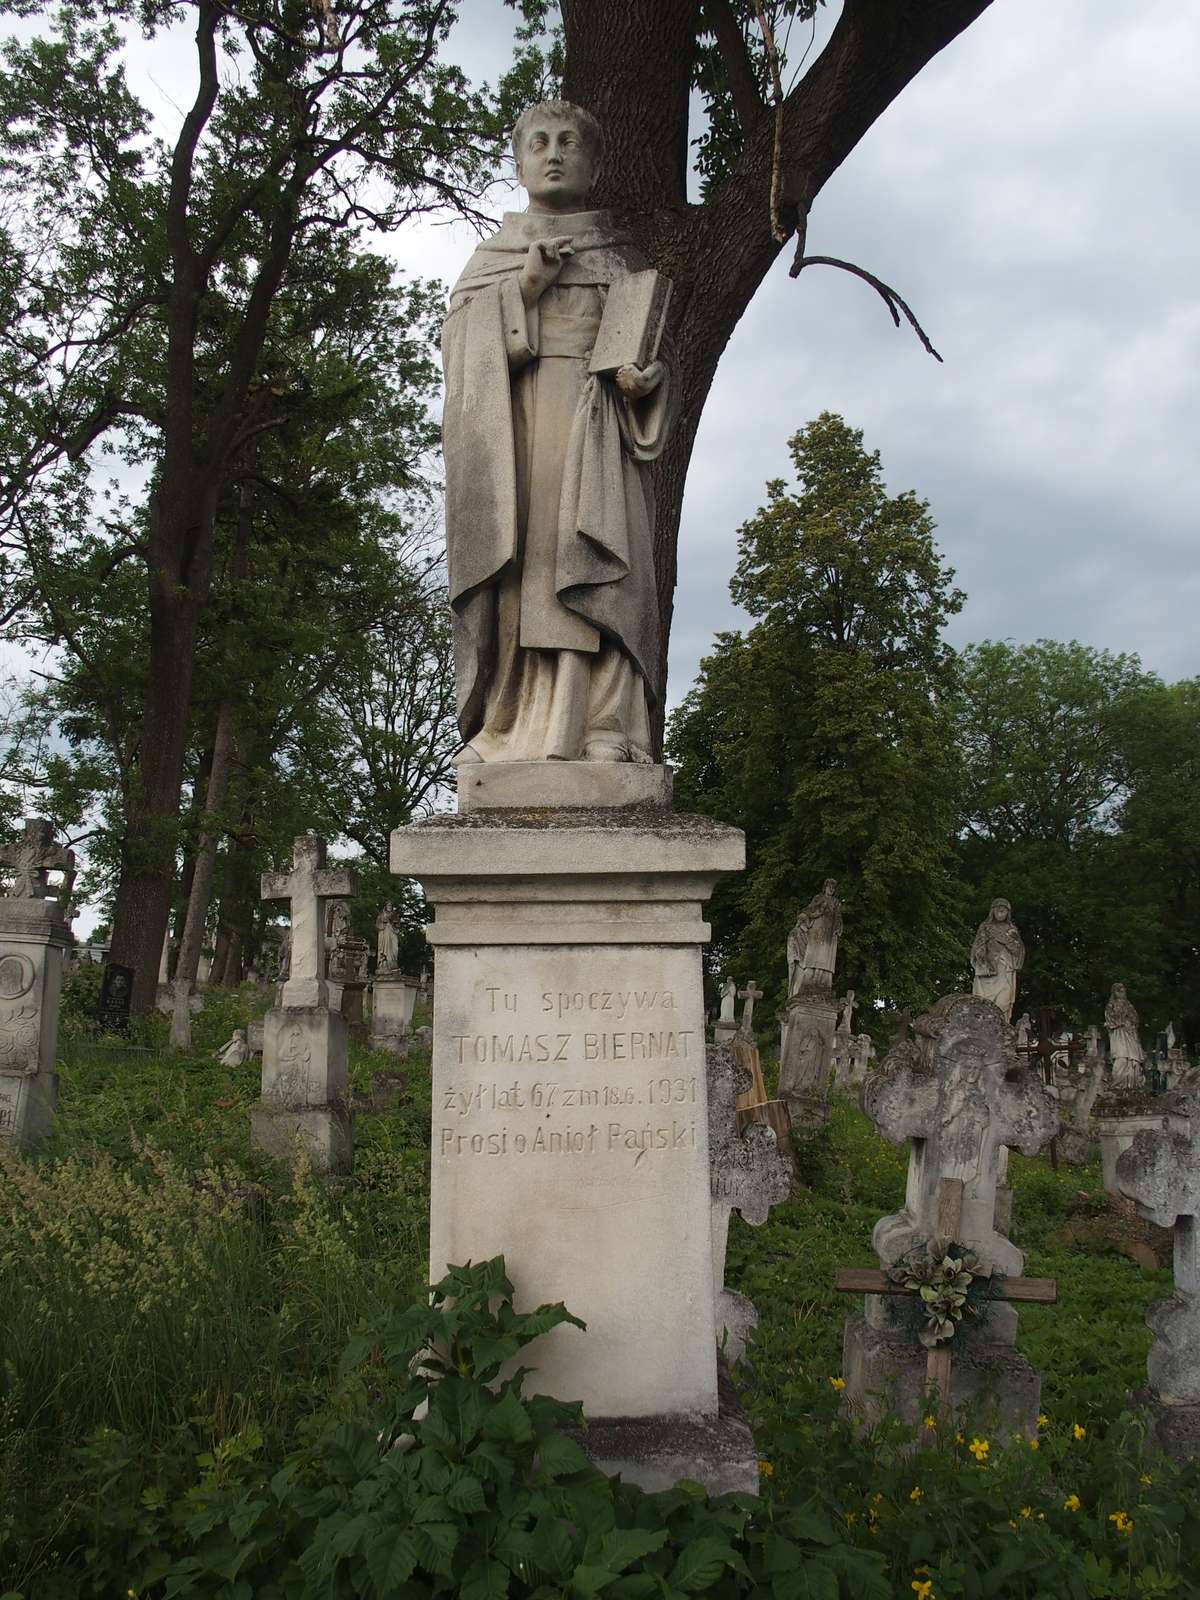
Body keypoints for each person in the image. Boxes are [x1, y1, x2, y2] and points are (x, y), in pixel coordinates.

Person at [442, 100, 674, 764]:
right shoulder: (491, 259)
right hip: (517, 434)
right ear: (518, 162)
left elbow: (656, 354)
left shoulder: (621, 258)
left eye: (570, 142)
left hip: (597, 433)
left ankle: (604, 723)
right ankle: (510, 722)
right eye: (539, 142)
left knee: (594, 560)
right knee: (527, 569)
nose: (554, 152)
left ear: (595, 163)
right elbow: (458, 354)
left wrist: (647, 381)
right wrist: (526, 288)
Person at [970, 898, 1025, 1023]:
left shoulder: (1012, 930)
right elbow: (978, 947)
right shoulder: (985, 927)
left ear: (1008, 913)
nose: (1001, 913)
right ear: (992, 911)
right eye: (998, 910)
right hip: (988, 971)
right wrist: (983, 959)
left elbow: (1019, 950)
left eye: (1004, 910)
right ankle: (984, 1026)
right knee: (984, 1002)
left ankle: (1001, 1026)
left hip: (1006, 970)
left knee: (1003, 1001)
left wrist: (1008, 941)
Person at [786, 880, 843, 996]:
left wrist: (838, 926)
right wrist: (814, 913)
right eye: (829, 886)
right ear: (825, 887)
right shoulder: (818, 898)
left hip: (828, 935)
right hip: (816, 932)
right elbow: (809, 910)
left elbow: (838, 917)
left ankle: (822, 981)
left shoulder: (836, 902)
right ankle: (809, 979)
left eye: (833, 887)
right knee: (813, 955)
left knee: (826, 958)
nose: (831, 889)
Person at [1105, 982, 1145, 1088]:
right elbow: (1110, 1019)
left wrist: (1130, 1020)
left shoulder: (1129, 1005)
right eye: (1120, 991)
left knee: (1133, 1060)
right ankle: (1118, 1083)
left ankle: (1132, 1084)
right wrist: (1121, 1018)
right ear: (1114, 992)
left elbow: (1136, 1018)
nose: (1122, 994)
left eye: (1123, 991)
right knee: (1121, 1058)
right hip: (1119, 1034)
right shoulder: (1111, 1005)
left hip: (1130, 1034)